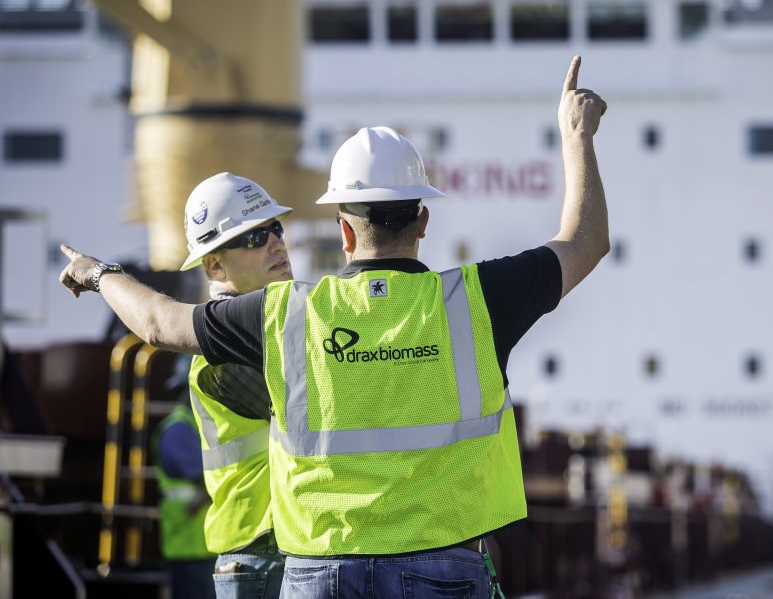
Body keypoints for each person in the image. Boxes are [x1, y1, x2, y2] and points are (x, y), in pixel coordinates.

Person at [58, 55, 608, 599]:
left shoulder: (285, 315)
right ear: (423, 221)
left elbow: (158, 324)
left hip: (318, 571)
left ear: (343, 232)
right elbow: (585, 242)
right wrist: (575, 136)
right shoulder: (477, 300)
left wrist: (97, 272)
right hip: (442, 567)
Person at [180, 172, 291, 598]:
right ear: (214, 265)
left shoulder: (271, 327)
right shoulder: (221, 355)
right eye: (255, 238)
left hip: (278, 545)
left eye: (276, 229)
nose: (277, 244)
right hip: (260, 548)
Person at [154, 376, 216, 599]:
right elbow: (206, 473)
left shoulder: (195, 424)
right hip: (189, 544)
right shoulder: (179, 429)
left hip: (202, 544)